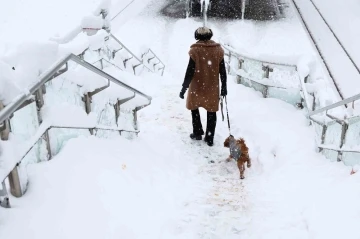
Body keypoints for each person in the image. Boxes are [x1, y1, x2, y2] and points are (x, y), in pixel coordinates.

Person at [179, 26, 227, 146]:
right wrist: (224, 87)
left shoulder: (195, 51)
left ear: (197, 36)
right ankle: (210, 137)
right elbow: (223, 71)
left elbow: (189, 71)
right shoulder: (218, 50)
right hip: (212, 86)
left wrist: (184, 88)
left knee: (194, 108)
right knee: (212, 111)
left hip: (197, 86)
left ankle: (197, 132)